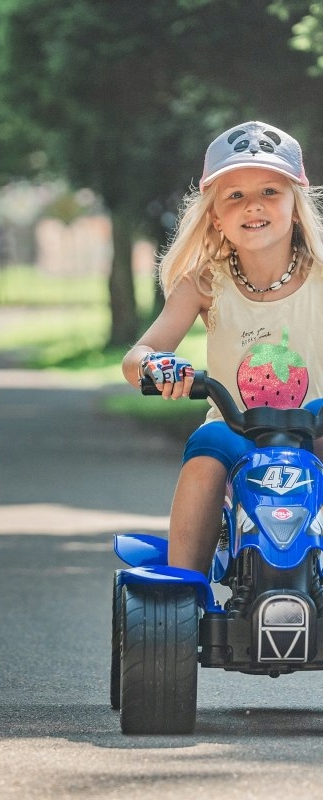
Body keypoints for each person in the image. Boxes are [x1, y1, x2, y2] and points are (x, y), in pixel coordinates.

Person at [122, 120, 323, 575]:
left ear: (296, 205)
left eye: (270, 191)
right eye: (235, 195)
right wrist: (156, 365)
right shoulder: (205, 283)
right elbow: (138, 355)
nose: (253, 205)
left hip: (316, 424)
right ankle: (184, 584)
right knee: (205, 453)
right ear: (215, 216)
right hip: (237, 427)